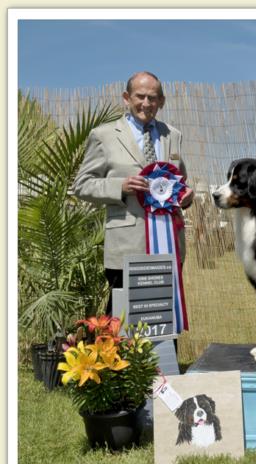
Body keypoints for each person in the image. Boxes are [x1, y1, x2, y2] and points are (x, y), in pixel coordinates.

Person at [73, 71, 194, 315]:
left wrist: (187, 196)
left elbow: (180, 181)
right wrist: (120, 186)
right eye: (140, 96)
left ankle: (168, 355)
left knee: (164, 319)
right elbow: (82, 185)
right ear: (127, 98)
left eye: (153, 98)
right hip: (127, 247)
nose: (146, 104)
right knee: (122, 324)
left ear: (162, 101)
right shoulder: (103, 136)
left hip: (168, 245)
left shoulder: (173, 135)